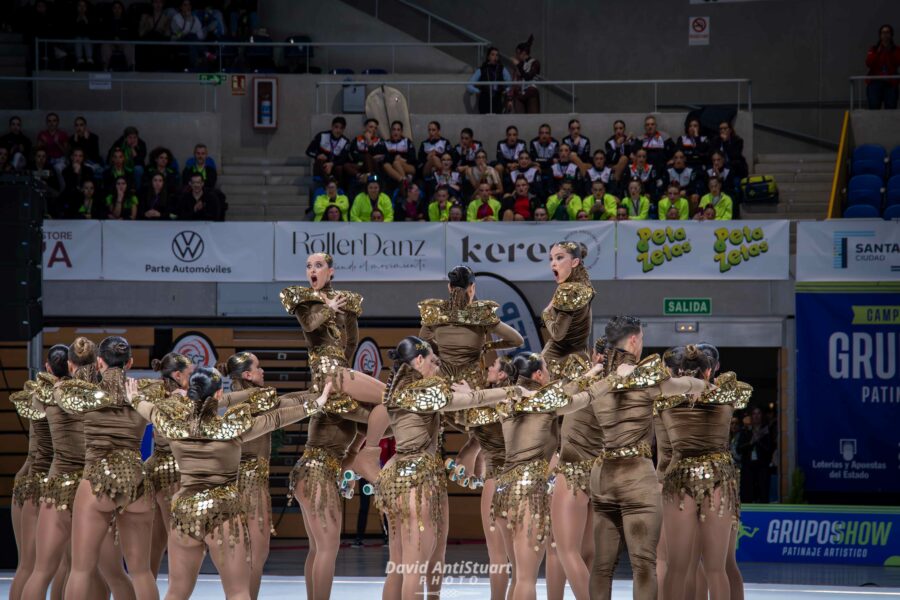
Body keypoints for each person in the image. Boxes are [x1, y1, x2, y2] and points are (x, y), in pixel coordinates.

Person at [126, 367, 329, 599]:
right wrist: (316, 403)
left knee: (176, 592)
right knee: (238, 593)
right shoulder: (230, 428)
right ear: (219, 395)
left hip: (185, 512)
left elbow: (150, 411)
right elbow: (276, 418)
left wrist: (135, 398)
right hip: (224, 513)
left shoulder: (173, 425)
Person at [562, 316, 708, 600]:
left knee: (602, 567)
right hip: (636, 478)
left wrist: (587, 376)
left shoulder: (598, 379)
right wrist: (703, 386)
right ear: (634, 341)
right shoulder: (647, 376)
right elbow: (682, 385)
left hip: (603, 477)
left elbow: (563, 402)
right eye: (641, 338)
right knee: (644, 565)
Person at [57, 336, 157, 600]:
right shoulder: (144, 392)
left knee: (81, 569)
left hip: (96, 479)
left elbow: (60, 393)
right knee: (142, 572)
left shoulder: (85, 393)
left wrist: (92, 374)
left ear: (99, 361)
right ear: (130, 363)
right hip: (136, 480)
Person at [657, 345, 752, 600]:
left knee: (676, 568)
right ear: (709, 370)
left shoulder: (664, 400)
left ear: (679, 371)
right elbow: (740, 389)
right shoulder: (727, 395)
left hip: (678, 479)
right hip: (719, 479)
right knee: (716, 569)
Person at [8, 373, 54, 600]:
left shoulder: (35, 394)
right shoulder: (69, 397)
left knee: (26, 564)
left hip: (26, 477)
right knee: (65, 565)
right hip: (53, 483)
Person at [739, 406, 774, 504]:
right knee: (747, 493)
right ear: (751, 416)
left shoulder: (766, 431)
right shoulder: (746, 431)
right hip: (748, 468)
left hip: (762, 467)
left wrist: (758, 440)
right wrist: (751, 442)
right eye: (754, 413)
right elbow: (739, 449)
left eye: (758, 413)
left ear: (761, 416)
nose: (756, 416)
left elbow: (769, 449)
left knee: (763, 492)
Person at [306, 116, 352, 187]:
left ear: (343, 129)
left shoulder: (345, 141)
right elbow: (308, 151)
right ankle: (330, 183)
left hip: (334, 167)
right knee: (319, 161)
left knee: (340, 168)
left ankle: (339, 189)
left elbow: (343, 159)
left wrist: (332, 164)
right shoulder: (322, 136)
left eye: (341, 128)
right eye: (336, 127)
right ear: (332, 127)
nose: (338, 130)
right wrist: (317, 155)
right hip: (321, 167)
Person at [468, 46, 511, 114]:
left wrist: (505, 90)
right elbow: (469, 85)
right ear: (488, 57)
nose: (495, 57)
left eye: (497, 55)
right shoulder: (481, 69)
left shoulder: (502, 69)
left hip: (497, 98)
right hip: (485, 99)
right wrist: (478, 91)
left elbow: (510, 84)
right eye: (492, 54)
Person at [866, 24, 900, 109]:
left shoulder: (896, 49)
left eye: (887, 32)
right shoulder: (874, 49)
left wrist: (889, 51)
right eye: (883, 32)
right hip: (875, 83)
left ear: (891, 35)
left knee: (891, 109)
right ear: (880, 35)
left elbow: (898, 62)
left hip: (890, 83)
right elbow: (868, 63)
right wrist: (878, 52)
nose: (885, 35)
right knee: (873, 108)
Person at [171, 0, 206, 70]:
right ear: (181, 7)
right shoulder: (175, 18)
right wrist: (187, 21)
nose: (188, 7)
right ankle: (206, 55)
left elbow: (200, 35)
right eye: (185, 5)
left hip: (193, 43)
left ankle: (197, 62)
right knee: (191, 39)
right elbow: (178, 34)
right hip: (179, 42)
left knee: (193, 39)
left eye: (189, 5)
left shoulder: (195, 18)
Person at [350, 118, 387, 183]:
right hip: (361, 164)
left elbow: (379, 154)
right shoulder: (357, 139)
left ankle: (371, 178)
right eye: (371, 127)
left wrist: (369, 140)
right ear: (365, 128)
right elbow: (354, 154)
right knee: (346, 165)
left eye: (375, 128)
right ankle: (362, 176)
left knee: (367, 156)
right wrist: (365, 158)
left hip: (374, 166)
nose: (373, 129)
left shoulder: (380, 141)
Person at [100, 1, 134, 71]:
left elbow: (130, 34)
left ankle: (131, 67)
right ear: (112, 10)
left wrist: (120, 39)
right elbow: (104, 34)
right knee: (105, 45)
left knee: (129, 45)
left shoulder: (127, 21)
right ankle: (105, 68)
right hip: (111, 42)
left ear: (122, 9)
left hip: (123, 43)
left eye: (119, 8)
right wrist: (113, 38)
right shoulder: (107, 21)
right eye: (115, 8)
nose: (117, 10)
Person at [510, 35, 540, 113]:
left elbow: (528, 77)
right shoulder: (519, 64)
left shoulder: (535, 62)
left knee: (533, 117)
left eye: (517, 53)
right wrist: (509, 98)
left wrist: (518, 65)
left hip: (531, 92)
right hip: (519, 93)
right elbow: (514, 81)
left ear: (523, 53)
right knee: (520, 119)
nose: (516, 56)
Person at [61, 148, 95, 217]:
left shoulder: (88, 170)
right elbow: (69, 187)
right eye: (75, 155)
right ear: (71, 157)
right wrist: (75, 173)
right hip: (72, 196)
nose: (78, 158)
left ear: (83, 158)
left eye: (80, 156)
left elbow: (90, 185)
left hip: (85, 194)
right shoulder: (66, 171)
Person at [381, 120, 417, 185]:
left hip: (409, 166)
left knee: (396, 163)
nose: (396, 132)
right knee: (386, 165)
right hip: (393, 166)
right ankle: (403, 180)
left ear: (401, 132)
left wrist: (402, 160)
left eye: (398, 130)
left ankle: (404, 182)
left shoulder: (406, 141)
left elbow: (413, 158)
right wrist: (392, 155)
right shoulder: (387, 143)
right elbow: (385, 159)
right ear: (391, 131)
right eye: (394, 129)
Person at [36, 112, 68, 180]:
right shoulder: (42, 134)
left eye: (54, 121)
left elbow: (66, 152)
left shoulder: (63, 134)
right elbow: (37, 150)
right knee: (38, 171)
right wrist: (44, 143)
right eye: (49, 121)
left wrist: (57, 143)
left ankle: (60, 189)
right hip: (47, 159)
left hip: (60, 160)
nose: (52, 123)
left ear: (57, 122)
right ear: (47, 122)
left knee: (57, 169)